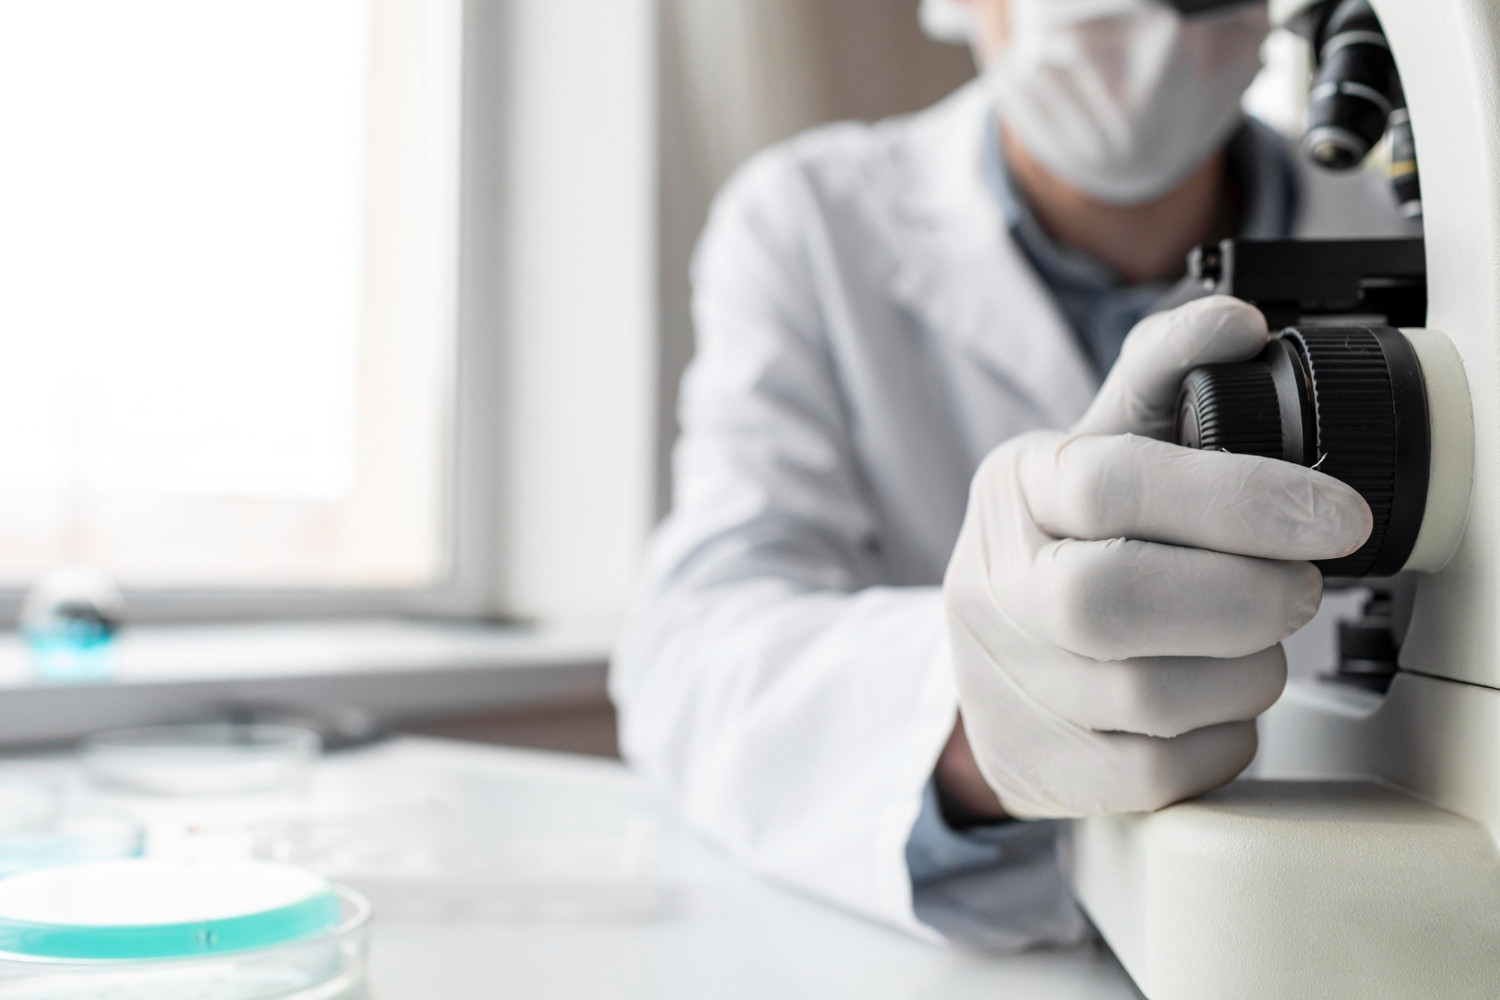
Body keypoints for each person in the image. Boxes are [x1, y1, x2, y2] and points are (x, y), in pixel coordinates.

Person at [612, 0, 1414, 948]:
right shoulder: (809, 223)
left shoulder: (1443, 234)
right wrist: (975, 717)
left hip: (1360, 939)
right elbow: (693, 657)